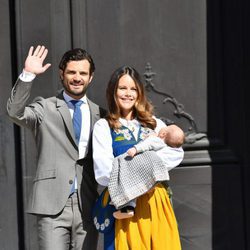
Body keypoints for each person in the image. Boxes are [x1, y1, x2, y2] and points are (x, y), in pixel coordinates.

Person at [7, 45, 106, 250]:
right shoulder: (45, 107)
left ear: (91, 77)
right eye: (71, 72)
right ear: (62, 74)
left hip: (87, 205)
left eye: (82, 73)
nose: (77, 77)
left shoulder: (101, 114)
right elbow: (15, 112)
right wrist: (28, 75)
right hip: (51, 205)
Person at [92, 65, 184, 249]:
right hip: (123, 204)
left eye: (133, 89)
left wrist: (130, 167)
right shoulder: (104, 126)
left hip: (155, 202)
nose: (128, 94)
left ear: (140, 93)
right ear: (113, 91)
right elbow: (103, 171)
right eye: (122, 88)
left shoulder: (154, 123)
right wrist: (149, 167)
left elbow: (175, 153)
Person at [111, 125, 185, 219]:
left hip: (142, 166)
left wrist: (135, 149)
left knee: (129, 185)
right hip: (154, 176)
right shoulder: (175, 153)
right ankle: (128, 209)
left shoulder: (157, 140)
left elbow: (147, 144)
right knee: (135, 187)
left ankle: (127, 208)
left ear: (163, 134)